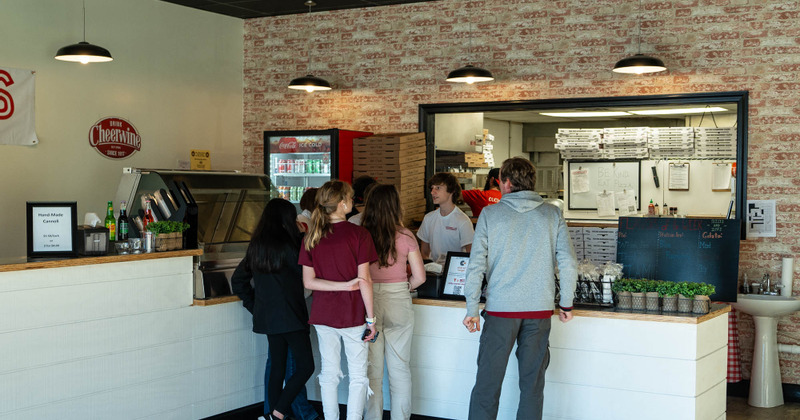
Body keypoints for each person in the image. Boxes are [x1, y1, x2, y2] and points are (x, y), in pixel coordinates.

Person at [462, 157, 578, 420]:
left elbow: (476, 265)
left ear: (506, 182)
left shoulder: (490, 215)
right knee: (532, 386)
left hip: (501, 311)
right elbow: (568, 263)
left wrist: (471, 307)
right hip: (538, 311)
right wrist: (566, 304)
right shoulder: (552, 214)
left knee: (487, 384)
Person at [299, 180, 378, 420]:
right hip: (352, 313)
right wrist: (371, 319)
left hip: (323, 314)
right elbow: (365, 280)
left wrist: (339, 286)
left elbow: (309, 283)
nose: (353, 203)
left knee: (329, 373)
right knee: (357, 375)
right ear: (342, 204)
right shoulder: (359, 234)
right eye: (352, 198)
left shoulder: (312, 236)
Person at [231, 198, 315, 420]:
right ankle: (277, 413)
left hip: (268, 318)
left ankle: (272, 414)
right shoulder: (294, 246)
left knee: (277, 367)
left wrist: (255, 306)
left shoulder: (257, 247)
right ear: (288, 219)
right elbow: (308, 279)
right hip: (293, 316)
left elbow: (237, 281)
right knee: (306, 366)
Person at [360, 184, 426, 420]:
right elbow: (420, 276)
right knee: (400, 370)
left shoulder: (361, 234)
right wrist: (403, 286)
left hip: (369, 304)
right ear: (396, 206)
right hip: (399, 300)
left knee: (373, 372)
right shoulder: (406, 235)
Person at [416, 172, 474, 263]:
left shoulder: (463, 221)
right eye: (432, 188)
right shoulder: (428, 218)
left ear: (451, 191)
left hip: (454, 271)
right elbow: (424, 252)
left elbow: (471, 254)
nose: (432, 192)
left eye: (438, 188)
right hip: (433, 271)